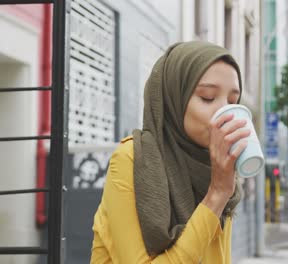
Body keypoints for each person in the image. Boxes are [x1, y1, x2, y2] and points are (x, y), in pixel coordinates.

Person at [90, 41, 251, 263]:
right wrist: (216, 195)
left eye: (233, 101)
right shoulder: (132, 158)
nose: (226, 113)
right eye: (207, 97)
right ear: (174, 99)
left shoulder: (215, 169)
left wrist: (221, 189)